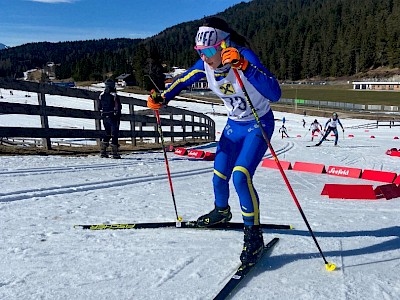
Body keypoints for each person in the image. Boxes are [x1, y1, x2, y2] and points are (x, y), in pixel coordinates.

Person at [147, 16, 281, 266]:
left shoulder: (245, 58)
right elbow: (181, 81)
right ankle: (221, 212)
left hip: (258, 123)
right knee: (219, 174)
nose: (205, 56)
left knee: (240, 176)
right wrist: (161, 98)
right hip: (234, 125)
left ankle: (254, 236)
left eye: (209, 50)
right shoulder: (205, 65)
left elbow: (275, 92)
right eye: (200, 51)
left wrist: (244, 67)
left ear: (224, 45)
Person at [98, 79, 122, 158]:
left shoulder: (101, 95)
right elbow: (118, 106)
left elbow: (99, 107)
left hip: (104, 116)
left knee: (107, 133)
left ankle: (103, 151)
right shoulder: (114, 95)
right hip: (113, 116)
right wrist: (118, 114)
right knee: (114, 133)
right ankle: (114, 153)